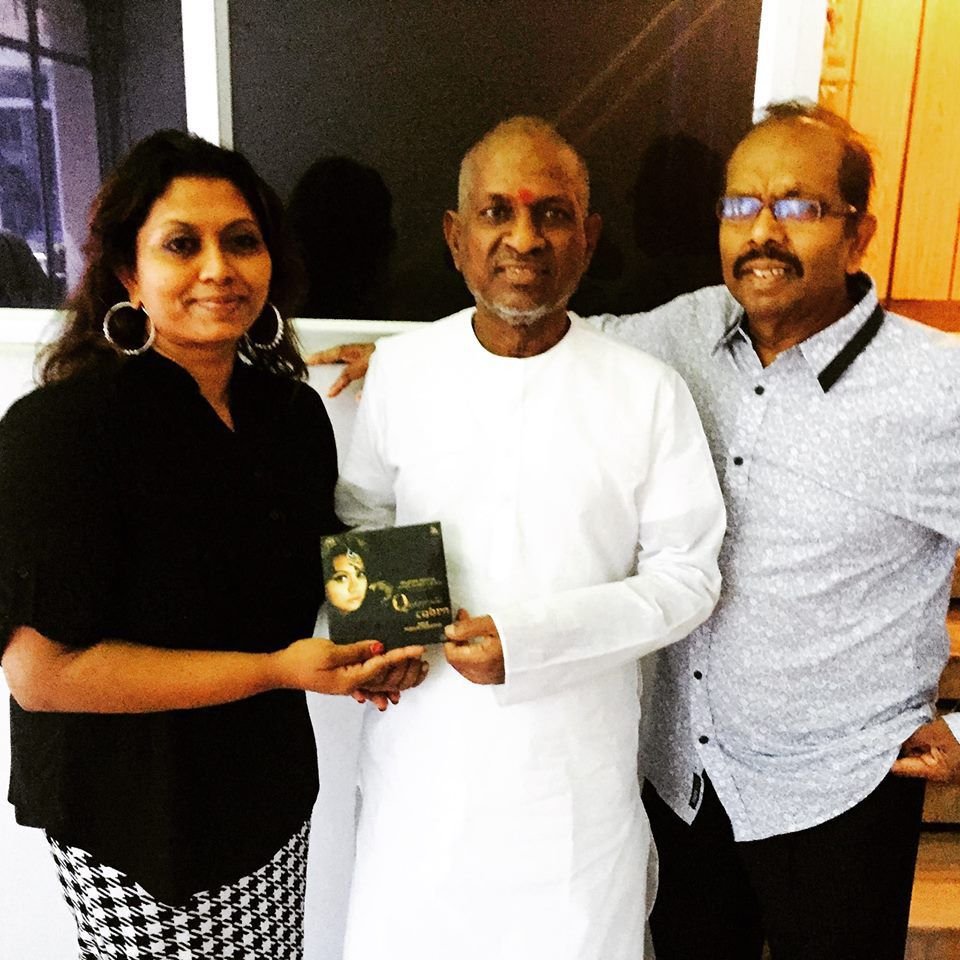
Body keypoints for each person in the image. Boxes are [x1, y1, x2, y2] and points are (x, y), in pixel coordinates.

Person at [313, 102, 960, 960]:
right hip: (679, 784)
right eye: (741, 205)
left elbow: (686, 569)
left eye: (800, 206)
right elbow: (525, 343)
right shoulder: (681, 335)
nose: (763, 231)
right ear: (454, 236)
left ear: (859, 232)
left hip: (831, 789)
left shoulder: (929, 387)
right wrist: (395, 361)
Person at [0, 130, 427, 959]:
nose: (218, 269)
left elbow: (321, 550)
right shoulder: (61, 431)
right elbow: (43, 675)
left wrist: (388, 636)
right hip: (135, 817)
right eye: (180, 244)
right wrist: (277, 670)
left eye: (241, 241)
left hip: (265, 792)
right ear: (127, 271)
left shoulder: (290, 414)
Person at [334, 116, 726, 960]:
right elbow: (364, 514)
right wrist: (380, 636)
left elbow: (689, 576)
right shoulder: (404, 370)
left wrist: (532, 640)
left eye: (553, 213)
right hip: (422, 769)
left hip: (572, 782)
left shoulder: (648, 391)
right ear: (455, 236)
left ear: (589, 237)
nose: (524, 237)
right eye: (496, 212)